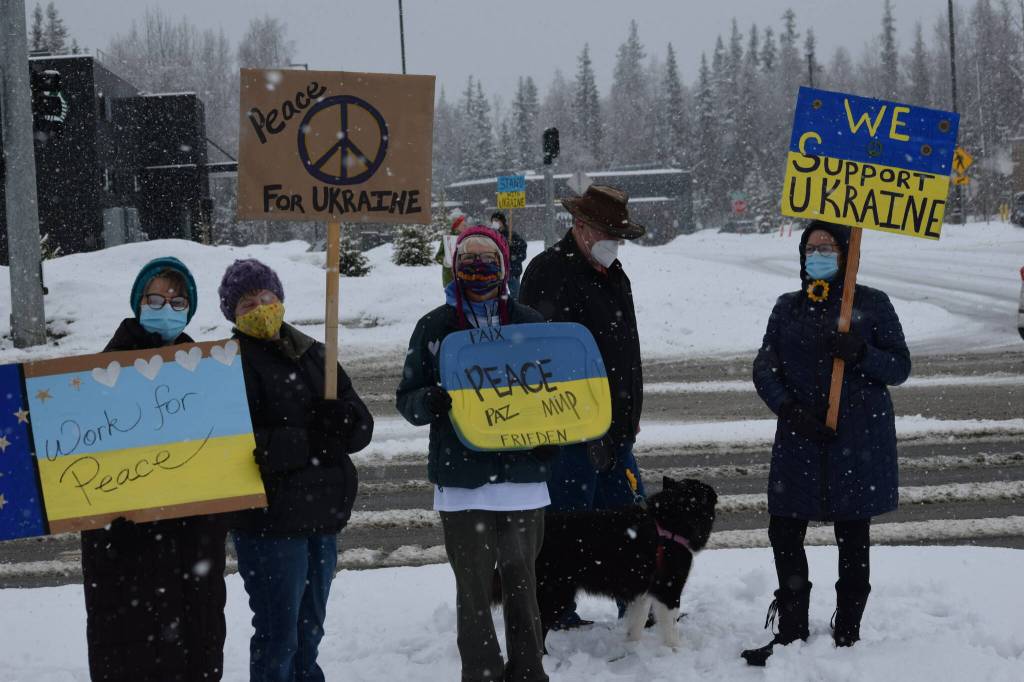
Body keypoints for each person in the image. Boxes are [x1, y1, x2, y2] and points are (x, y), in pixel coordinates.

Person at [740, 220, 910, 666]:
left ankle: (848, 631)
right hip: (800, 439)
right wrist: (791, 410)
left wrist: (861, 353)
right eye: (811, 247)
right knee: (784, 531)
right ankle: (792, 629)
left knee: (853, 536)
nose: (818, 254)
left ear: (847, 252)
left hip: (856, 439)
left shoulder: (871, 305)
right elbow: (764, 367)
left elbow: (899, 367)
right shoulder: (787, 307)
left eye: (828, 246)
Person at [397, 226, 554, 682]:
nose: (478, 269)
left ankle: (528, 669)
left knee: (524, 586)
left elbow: (559, 393)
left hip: (522, 481)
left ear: (505, 265)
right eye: (468, 260)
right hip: (464, 483)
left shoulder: (528, 321)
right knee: (473, 590)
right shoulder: (434, 326)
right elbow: (407, 398)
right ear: (454, 267)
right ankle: (481, 672)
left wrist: (551, 438)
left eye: (488, 260)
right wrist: (427, 401)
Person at [218, 258, 373, 682]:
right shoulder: (227, 364)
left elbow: (361, 428)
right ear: (232, 313)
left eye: (265, 297)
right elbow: (235, 445)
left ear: (280, 299)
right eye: (247, 303)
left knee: (310, 630)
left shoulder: (316, 354)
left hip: (322, 516)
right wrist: (306, 441)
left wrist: (343, 421)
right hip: (268, 524)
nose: (259, 308)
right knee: (278, 633)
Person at [82, 256, 228, 681]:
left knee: (196, 653)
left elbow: (220, 456)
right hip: (126, 553)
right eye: (156, 298)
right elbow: (81, 471)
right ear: (138, 302)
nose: (166, 307)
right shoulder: (98, 374)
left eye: (178, 300)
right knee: (132, 659)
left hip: (194, 551)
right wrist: (110, 525)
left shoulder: (206, 372)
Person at [520, 184, 648, 628]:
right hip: (570, 432)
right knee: (565, 525)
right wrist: (575, 425)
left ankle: (633, 603)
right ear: (580, 227)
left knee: (629, 519)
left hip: (617, 428)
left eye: (620, 234)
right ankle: (555, 610)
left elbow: (623, 351)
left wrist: (625, 420)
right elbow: (538, 359)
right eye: (609, 232)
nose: (616, 242)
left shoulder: (615, 274)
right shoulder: (548, 272)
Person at [490, 211, 528, 300]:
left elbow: (522, 250)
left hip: (512, 270)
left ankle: (516, 310)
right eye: (493, 221)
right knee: (498, 296)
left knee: (516, 296)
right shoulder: (491, 235)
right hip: (497, 271)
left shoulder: (512, 235)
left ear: (502, 222)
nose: (494, 223)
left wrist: (514, 256)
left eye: (496, 220)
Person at [435, 212, 469, 287]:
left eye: (465, 224)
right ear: (456, 226)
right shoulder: (447, 239)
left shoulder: (468, 238)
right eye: (463, 225)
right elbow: (438, 257)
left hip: (465, 277)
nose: (465, 226)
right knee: (452, 298)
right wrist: (445, 260)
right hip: (450, 278)